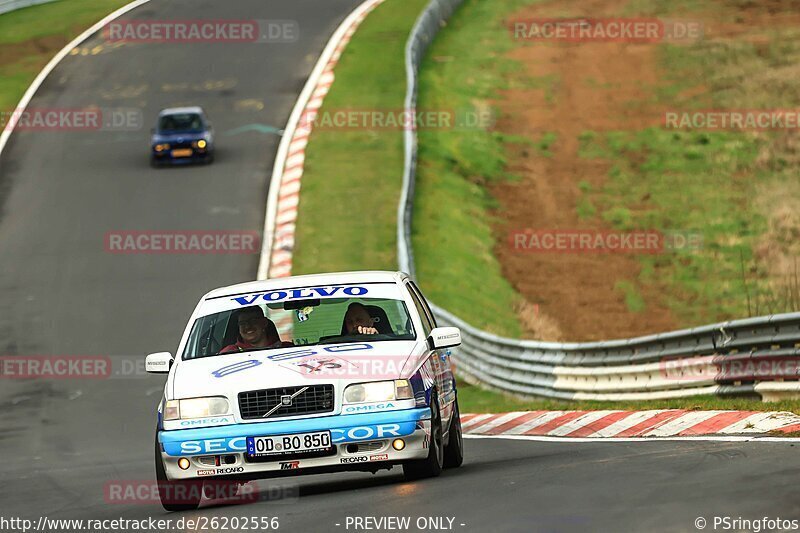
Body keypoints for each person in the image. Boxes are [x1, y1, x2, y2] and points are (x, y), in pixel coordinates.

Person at [220, 306, 292, 353]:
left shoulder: (288, 349)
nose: (247, 326)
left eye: (253, 321)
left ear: (264, 323)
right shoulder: (229, 352)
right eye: (242, 323)